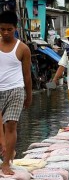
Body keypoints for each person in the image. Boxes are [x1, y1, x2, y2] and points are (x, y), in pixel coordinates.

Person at [0, 10, 32, 175]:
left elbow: (27, 75)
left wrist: (29, 95)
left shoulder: (23, 49)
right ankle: (8, 153)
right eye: (2, 29)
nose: (5, 33)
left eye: (9, 29)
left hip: (16, 90)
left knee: (10, 125)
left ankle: (6, 164)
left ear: (15, 28)